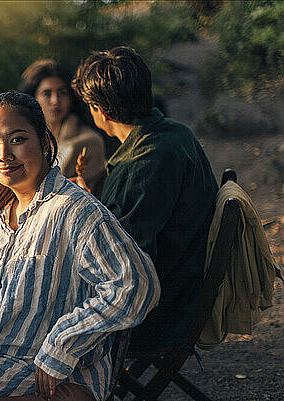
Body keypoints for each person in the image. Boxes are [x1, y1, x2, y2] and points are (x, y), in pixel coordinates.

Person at [0, 91, 160, 401]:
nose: (3, 155)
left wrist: (60, 347)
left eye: (17, 139)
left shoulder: (74, 211)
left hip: (51, 376)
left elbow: (136, 284)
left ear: (44, 141)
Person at [72, 46, 219, 356]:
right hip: (182, 289)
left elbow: (117, 261)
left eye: (90, 105)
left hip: (159, 313)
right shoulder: (176, 133)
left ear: (103, 112)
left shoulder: (142, 163)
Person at [17, 60, 106, 196]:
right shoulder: (23, 138)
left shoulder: (90, 142)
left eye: (62, 93)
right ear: (33, 98)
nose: (55, 101)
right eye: (47, 94)